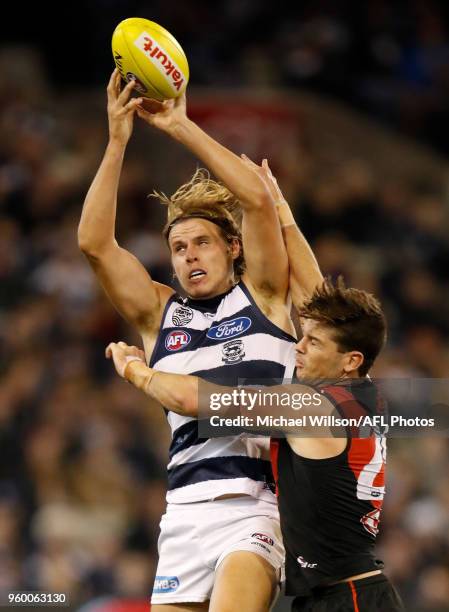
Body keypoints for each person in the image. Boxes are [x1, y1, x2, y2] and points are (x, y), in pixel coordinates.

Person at [106, 162, 404, 611]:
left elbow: (196, 400)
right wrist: (282, 212)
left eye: (312, 342)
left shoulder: (304, 407)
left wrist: (135, 370)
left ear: (350, 360)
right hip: (332, 593)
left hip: (349, 597)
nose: (297, 345)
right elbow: (315, 293)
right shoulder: (358, 395)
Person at [78, 70, 297, 611]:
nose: (190, 255)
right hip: (182, 512)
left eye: (202, 242)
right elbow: (94, 243)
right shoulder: (159, 314)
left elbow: (258, 202)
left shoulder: (265, 295)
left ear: (234, 248)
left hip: (255, 509)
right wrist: (116, 141)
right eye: (178, 247)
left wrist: (180, 125)